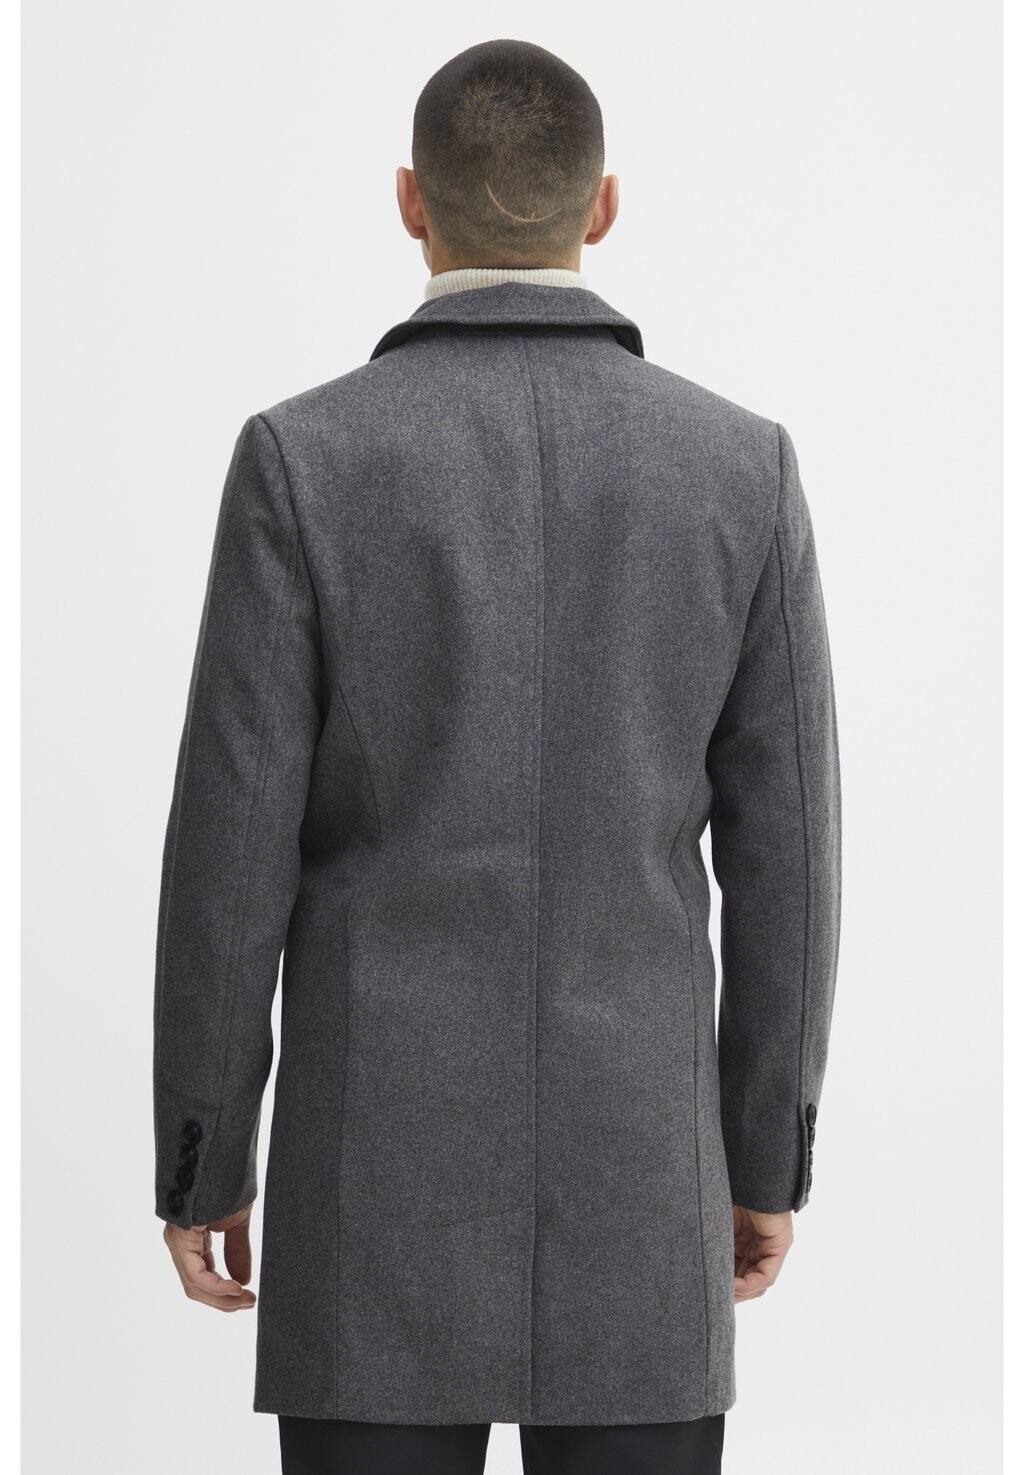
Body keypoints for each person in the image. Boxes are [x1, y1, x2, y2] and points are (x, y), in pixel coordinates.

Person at [153, 37, 841, 1475]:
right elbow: (789, 860)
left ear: (411, 202)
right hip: (642, 1172)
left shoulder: (303, 458)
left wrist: (205, 1150)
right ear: (604, 207)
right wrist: (764, 1152)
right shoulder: (741, 466)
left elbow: (232, 847)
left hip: (371, 1183)